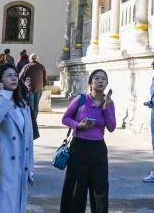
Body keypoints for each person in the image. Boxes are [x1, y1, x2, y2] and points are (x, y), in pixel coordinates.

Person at [61, 69, 116, 213]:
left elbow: (111, 127)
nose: (100, 81)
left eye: (103, 79)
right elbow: (65, 118)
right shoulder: (81, 99)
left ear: (106, 84)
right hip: (79, 147)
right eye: (96, 78)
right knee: (76, 189)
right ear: (90, 83)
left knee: (100, 189)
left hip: (98, 149)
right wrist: (78, 125)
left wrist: (106, 109)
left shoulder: (109, 103)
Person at [0, 64, 34, 213]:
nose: (14, 78)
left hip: (20, 165)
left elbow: (28, 138)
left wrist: (30, 167)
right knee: (1, 206)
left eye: (15, 75)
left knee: (16, 206)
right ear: (0, 81)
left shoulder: (23, 104)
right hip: (0, 165)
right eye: (9, 75)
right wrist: (3, 96)